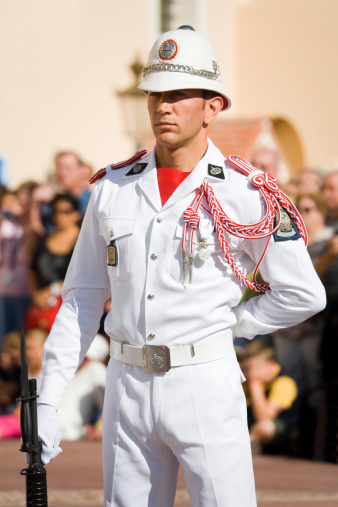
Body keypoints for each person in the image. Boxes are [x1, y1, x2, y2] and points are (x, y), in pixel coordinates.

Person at [37, 27, 326, 507]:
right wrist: (48, 397)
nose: (162, 106)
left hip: (204, 380)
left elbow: (303, 293)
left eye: (178, 94)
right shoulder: (112, 187)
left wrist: (231, 325)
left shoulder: (246, 191)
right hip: (126, 383)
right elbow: (82, 297)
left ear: (214, 105)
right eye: (155, 94)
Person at [25, 194, 81, 332]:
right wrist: (36, 295)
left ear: (76, 214)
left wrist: (52, 290)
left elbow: (85, 275)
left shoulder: (83, 242)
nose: (60, 215)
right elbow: (33, 273)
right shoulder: (44, 240)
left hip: (74, 308)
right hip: (43, 309)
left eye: (66, 211)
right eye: (56, 211)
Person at [239, 340, 302, 456]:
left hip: (284, 438)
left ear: (271, 364)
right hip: (251, 429)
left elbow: (263, 417)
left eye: (255, 368)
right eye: (246, 369)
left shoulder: (284, 382)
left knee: (265, 427)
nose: (250, 373)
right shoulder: (247, 380)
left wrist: (255, 383)